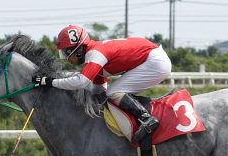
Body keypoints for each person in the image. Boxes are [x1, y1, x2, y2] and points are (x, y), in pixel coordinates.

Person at [34, 25, 172, 142]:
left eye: (67, 52)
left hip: (155, 62)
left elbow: (82, 82)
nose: (67, 58)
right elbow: (99, 91)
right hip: (153, 60)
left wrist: (50, 82)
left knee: (114, 92)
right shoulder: (95, 56)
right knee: (111, 94)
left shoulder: (95, 54)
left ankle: (147, 119)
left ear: (79, 49)